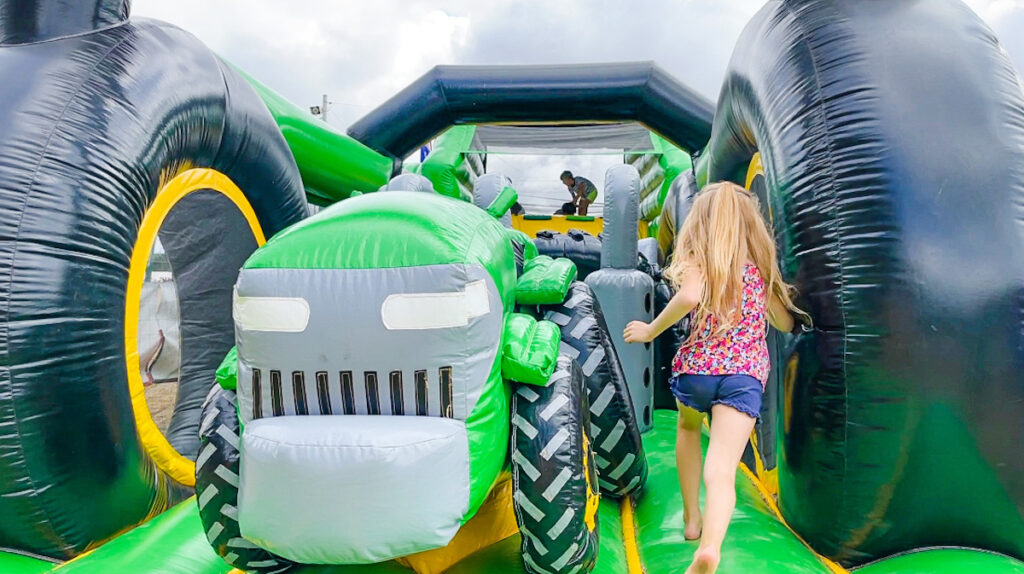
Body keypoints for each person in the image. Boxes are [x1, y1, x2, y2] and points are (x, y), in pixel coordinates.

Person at [623, 181, 808, 574]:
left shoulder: (697, 259)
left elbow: (689, 297)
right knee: (722, 468)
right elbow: (785, 321)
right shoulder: (759, 271)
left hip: (698, 371)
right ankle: (710, 548)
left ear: (700, 222)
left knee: (688, 431)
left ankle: (692, 520)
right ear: (749, 224)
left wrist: (651, 330)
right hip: (744, 376)